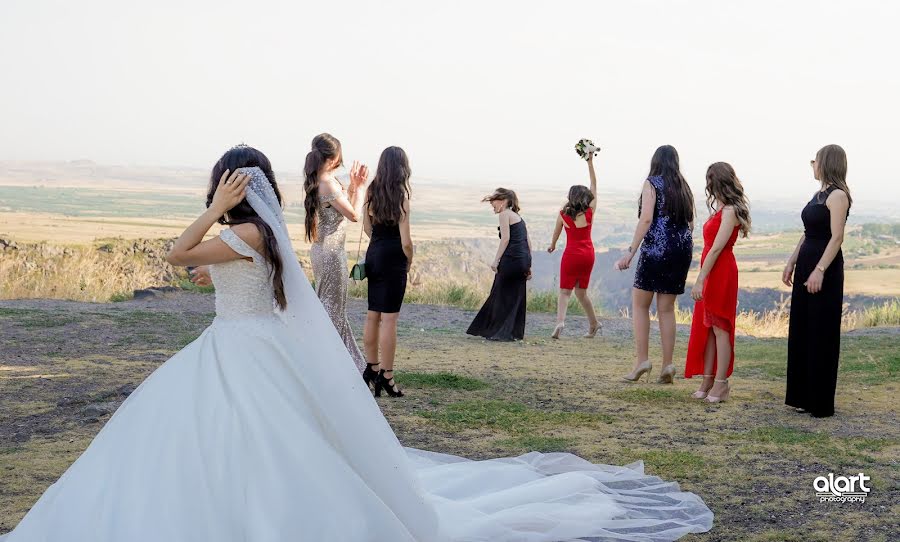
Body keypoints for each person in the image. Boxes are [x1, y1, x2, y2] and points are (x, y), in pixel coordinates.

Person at [0, 145, 714, 542]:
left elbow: (174, 256)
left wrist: (212, 209)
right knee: (255, 443)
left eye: (222, 185)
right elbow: (203, 271)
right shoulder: (256, 237)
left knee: (250, 445)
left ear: (232, 188)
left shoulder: (242, 231)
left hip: (238, 351)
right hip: (242, 347)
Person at [615, 145, 694, 384]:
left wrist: (631, 252)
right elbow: (690, 224)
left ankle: (642, 361)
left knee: (640, 305)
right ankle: (668, 364)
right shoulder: (684, 187)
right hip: (681, 248)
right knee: (667, 309)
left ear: (655, 161)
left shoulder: (652, 183)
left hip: (656, 248)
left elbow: (647, 218)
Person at [784, 145, 851, 418]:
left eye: (815, 161)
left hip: (825, 268)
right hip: (807, 264)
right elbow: (807, 233)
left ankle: (820, 402)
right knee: (803, 328)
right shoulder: (818, 194)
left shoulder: (837, 196)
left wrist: (820, 269)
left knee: (821, 332)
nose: (812, 165)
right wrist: (792, 261)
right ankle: (803, 396)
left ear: (826, 163)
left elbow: (836, 237)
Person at [302, 133, 372, 380]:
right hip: (332, 254)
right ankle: (334, 365)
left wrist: (352, 187)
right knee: (333, 311)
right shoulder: (328, 184)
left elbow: (343, 211)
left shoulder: (318, 181)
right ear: (332, 159)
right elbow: (354, 216)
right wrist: (361, 188)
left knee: (331, 308)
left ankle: (346, 363)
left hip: (323, 251)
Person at [684, 162, 751, 402]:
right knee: (709, 328)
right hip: (712, 269)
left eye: (709, 180)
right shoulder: (721, 208)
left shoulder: (730, 210)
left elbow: (716, 249)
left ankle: (722, 384)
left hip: (721, 272)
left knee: (720, 328)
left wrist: (700, 279)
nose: (707, 185)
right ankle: (708, 379)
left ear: (717, 181)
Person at [363, 146, 413, 398]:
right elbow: (406, 241)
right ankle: (387, 375)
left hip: (374, 253)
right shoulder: (401, 199)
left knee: (373, 314)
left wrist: (379, 244)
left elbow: (366, 227)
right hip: (394, 258)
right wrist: (409, 260)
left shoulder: (371, 191)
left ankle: (371, 368)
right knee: (390, 319)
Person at [467, 188, 532, 341]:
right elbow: (528, 242)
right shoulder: (518, 217)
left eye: (494, 202)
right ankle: (513, 333)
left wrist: (496, 260)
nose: (492, 205)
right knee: (516, 296)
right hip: (522, 261)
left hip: (511, 260)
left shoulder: (505, 214)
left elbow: (506, 239)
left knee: (499, 294)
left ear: (503, 201)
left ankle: (496, 331)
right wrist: (529, 266)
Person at [548, 152, 600, 339]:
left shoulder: (563, 214)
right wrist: (590, 163)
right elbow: (594, 185)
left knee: (565, 291)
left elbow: (556, 232)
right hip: (588, 254)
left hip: (571, 254)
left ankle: (560, 321)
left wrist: (553, 245)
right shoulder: (589, 212)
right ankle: (594, 324)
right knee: (581, 292)